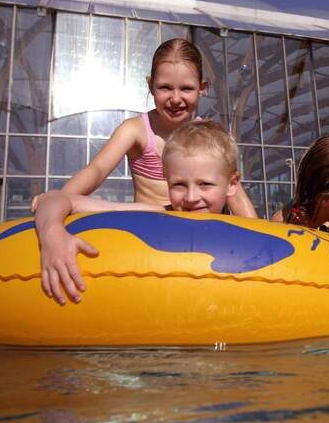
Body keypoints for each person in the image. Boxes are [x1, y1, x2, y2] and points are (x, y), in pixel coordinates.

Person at [36, 120, 253, 305]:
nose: (191, 197)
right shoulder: (157, 214)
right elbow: (55, 199)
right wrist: (52, 234)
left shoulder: (248, 234)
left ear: (232, 184)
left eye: (205, 184)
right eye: (178, 184)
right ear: (166, 180)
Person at [42, 37, 255, 218]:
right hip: (150, 227)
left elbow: (234, 193)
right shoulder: (136, 130)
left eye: (186, 89)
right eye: (165, 88)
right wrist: (62, 199)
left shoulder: (209, 136)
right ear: (150, 86)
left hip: (199, 227)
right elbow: (96, 170)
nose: (175, 98)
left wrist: (256, 232)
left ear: (202, 88)